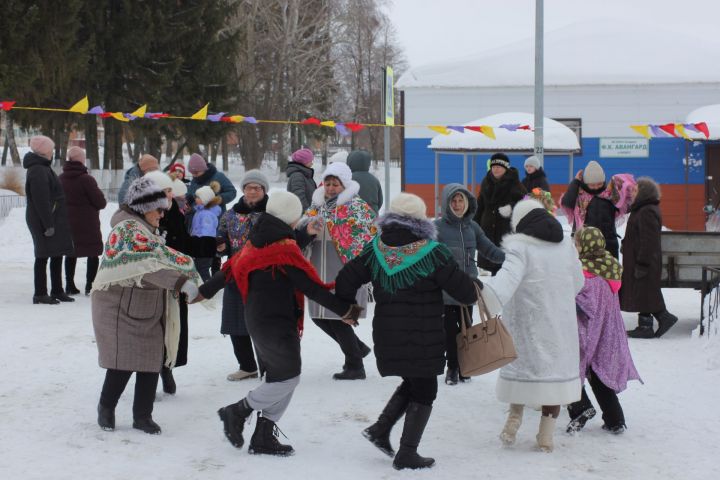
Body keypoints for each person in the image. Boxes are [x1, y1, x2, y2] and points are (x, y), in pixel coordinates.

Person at [197, 191, 361, 456]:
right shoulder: (283, 250)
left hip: (261, 319)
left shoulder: (259, 240)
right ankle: (237, 411)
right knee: (288, 378)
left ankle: (263, 436)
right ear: (290, 217)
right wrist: (346, 310)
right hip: (275, 323)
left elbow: (228, 268)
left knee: (280, 377)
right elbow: (311, 287)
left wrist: (203, 291)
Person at [334, 193, 482, 470]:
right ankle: (407, 453)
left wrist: (349, 308)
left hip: (388, 335)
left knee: (415, 381)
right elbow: (464, 292)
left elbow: (345, 279)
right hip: (423, 336)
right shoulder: (433, 252)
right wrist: (476, 287)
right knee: (425, 388)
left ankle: (380, 430)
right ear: (419, 220)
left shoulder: (375, 249)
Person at [92, 177, 201, 435]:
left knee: (151, 361)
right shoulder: (128, 231)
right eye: (159, 209)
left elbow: (160, 258)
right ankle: (105, 408)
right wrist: (182, 282)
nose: (162, 215)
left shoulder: (142, 228)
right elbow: (149, 267)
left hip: (144, 304)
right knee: (122, 363)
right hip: (119, 308)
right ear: (143, 207)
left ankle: (142, 416)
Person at [479, 199, 585, 453]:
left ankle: (512, 423)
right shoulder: (566, 247)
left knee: (521, 371)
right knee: (554, 380)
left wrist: (486, 297)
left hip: (527, 324)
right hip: (559, 325)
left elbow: (506, 281)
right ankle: (546, 437)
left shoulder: (519, 248)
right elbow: (578, 282)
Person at [299, 162, 377, 380]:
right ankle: (357, 348)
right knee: (319, 315)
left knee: (338, 315)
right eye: (328, 183)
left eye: (336, 184)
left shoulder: (356, 207)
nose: (331, 188)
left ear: (345, 185)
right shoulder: (317, 204)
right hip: (318, 264)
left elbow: (369, 235)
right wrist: (308, 231)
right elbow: (303, 230)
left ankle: (355, 364)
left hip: (343, 266)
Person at [566, 227, 642, 434]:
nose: (575, 247)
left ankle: (580, 407)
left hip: (586, 329)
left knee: (570, 368)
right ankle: (615, 419)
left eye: (578, 243)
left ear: (587, 246)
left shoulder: (584, 272)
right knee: (598, 374)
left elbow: (583, 303)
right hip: (608, 332)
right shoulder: (610, 266)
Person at [434, 183, 504, 385]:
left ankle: (464, 366)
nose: (457, 205)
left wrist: (511, 258)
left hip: (467, 287)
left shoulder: (472, 227)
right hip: (446, 288)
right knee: (449, 330)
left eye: (460, 201)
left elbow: (490, 250)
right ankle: (453, 368)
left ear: (467, 203)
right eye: (453, 201)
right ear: (447, 203)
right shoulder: (437, 227)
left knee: (466, 329)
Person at [217, 170, 269, 382]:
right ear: (243, 190)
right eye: (249, 187)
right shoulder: (230, 214)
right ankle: (247, 366)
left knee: (263, 324)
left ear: (264, 191)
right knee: (235, 321)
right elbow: (222, 239)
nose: (253, 191)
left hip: (264, 276)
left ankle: (268, 367)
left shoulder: (273, 213)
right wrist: (221, 246)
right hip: (235, 273)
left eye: (257, 188)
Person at [148, 170, 191, 395]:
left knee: (175, 325)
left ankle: (168, 367)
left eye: (170, 191)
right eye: (165, 191)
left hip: (176, 276)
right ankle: (150, 374)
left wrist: (210, 246)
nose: (170, 195)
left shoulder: (174, 211)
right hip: (151, 279)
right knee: (153, 328)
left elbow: (183, 243)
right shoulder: (144, 215)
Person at [621, 177, 678, 338]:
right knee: (643, 292)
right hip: (640, 260)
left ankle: (664, 317)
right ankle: (645, 327)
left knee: (646, 291)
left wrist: (643, 264)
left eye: (635, 190)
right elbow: (636, 235)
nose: (631, 192)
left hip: (644, 261)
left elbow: (649, 241)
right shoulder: (641, 209)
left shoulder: (647, 211)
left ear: (644, 192)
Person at [24, 135, 75, 304]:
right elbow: (41, 200)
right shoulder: (38, 170)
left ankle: (57, 290)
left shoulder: (43, 167)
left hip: (52, 218)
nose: (53, 153)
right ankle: (40, 293)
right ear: (45, 152)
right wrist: (48, 224)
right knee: (43, 255)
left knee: (56, 252)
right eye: (51, 150)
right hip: (44, 220)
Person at [559, 160, 635, 258]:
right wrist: (576, 182)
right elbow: (567, 203)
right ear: (585, 183)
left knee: (609, 272)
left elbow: (628, 204)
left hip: (609, 244)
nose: (596, 188)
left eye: (599, 184)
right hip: (585, 245)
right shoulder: (579, 195)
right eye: (592, 185)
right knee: (586, 273)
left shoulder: (610, 195)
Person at [59, 146, 107, 296]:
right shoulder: (87, 179)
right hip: (88, 224)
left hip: (67, 222)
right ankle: (90, 285)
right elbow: (100, 202)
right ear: (81, 160)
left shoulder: (60, 178)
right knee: (92, 252)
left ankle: (69, 285)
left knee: (70, 252)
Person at [473, 152, 526, 273]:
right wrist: (474, 225)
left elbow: (525, 203)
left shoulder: (515, 184)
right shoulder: (486, 182)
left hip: (506, 231)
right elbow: (480, 206)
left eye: (499, 167)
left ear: (505, 168)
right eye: (493, 167)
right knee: (492, 267)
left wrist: (512, 207)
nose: (495, 169)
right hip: (487, 232)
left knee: (506, 267)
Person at [190, 183, 222, 281]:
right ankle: (202, 287)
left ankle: (206, 288)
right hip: (200, 246)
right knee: (199, 268)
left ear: (205, 200)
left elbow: (206, 232)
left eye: (198, 197)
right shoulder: (200, 211)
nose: (195, 199)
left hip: (205, 247)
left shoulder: (207, 214)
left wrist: (198, 244)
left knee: (202, 269)